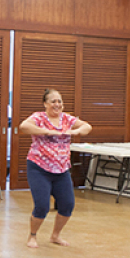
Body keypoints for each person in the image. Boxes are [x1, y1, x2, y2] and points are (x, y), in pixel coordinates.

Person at [19, 88, 91, 248]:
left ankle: (55, 236)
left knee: (67, 204)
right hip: (39, 167)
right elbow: (24, 126)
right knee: (42, 205)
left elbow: (87, 126)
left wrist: (76, 131)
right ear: (45, 104)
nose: (57, 104)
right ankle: (32, 235)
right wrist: (47, 131)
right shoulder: (39, 117)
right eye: (53, 101)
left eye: (59, 101)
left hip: (62, 169)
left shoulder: (67, 119)